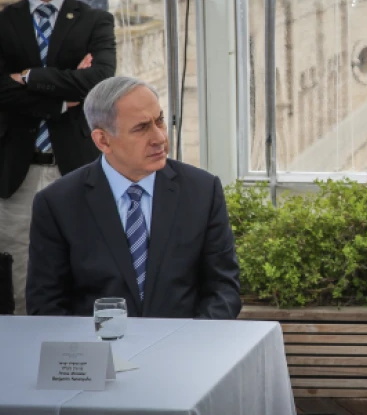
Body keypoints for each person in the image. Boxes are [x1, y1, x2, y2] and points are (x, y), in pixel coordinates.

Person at [0, 0, 116, 314]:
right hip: (17, 174)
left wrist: (30, 77)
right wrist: (63, 96)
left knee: (84, 273)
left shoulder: (94, 20)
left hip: (75, 167)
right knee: (15, 281)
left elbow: (100, 81)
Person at [26, 77, 242, 319]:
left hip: (183, 348)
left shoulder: (202, 191)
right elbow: (46, 305)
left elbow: (224, 290)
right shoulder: (57, 203)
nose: (159, 137)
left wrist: (190, 343)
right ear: (102, 140)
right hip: (99, 350)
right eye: (141, 128)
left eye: (159, 120)